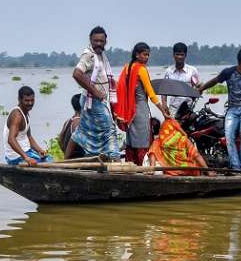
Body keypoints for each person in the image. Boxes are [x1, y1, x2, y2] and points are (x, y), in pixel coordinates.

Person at [68, 26, 120, 160]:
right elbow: (77, 74)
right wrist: (95, 91)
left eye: (101, 41)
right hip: (93, 101)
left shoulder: (101, 55)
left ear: (105, 42)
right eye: (95, 41)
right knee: (109, 130)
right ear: (90, 40)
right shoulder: (89, 55)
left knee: (82, 131)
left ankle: (66, 160)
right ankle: (115, 160)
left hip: (91, 101)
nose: (98, 44)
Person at [115, 42, 169, 166]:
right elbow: (151, 94)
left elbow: (121, 88)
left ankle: (131, 166)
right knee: (142, 141)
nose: (147, 57)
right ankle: (143, 166)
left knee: (131, 140)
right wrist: (163, 111)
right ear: (137, 55)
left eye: (148, 55)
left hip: (129, 111)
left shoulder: (128, 68)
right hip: (140, 110)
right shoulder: (141, 69)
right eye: (144, 54)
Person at [146, 118, 213, 176]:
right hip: (187, 170)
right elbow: (196, 155)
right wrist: (208, 171)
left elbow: (152, 153)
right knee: (195, 163)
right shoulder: (183, 139)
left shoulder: (159, 140)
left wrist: (152, 168)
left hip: (169, 171)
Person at [3, 86, 51, 166]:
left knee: (49, 159)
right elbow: (11, 139)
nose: (30, 103)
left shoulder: (26, 112)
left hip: (26, 151)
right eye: (27, 101)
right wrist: (26, 158)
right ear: (19, 99)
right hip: (15, 157)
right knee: (47, 164)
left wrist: (40, 150)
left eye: (32, 100)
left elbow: (29, 136)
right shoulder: (17, 115)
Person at [162, 42, 200, 118]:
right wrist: (164, 104)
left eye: (182, 55)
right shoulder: (168, 71)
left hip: (188, 108)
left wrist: (194, 100)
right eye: (177, 54)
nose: (179, 57)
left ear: (185, 55)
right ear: (173, 55)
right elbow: (163, 91)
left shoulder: (192, 71)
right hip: (172, 108)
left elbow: (198, 87)